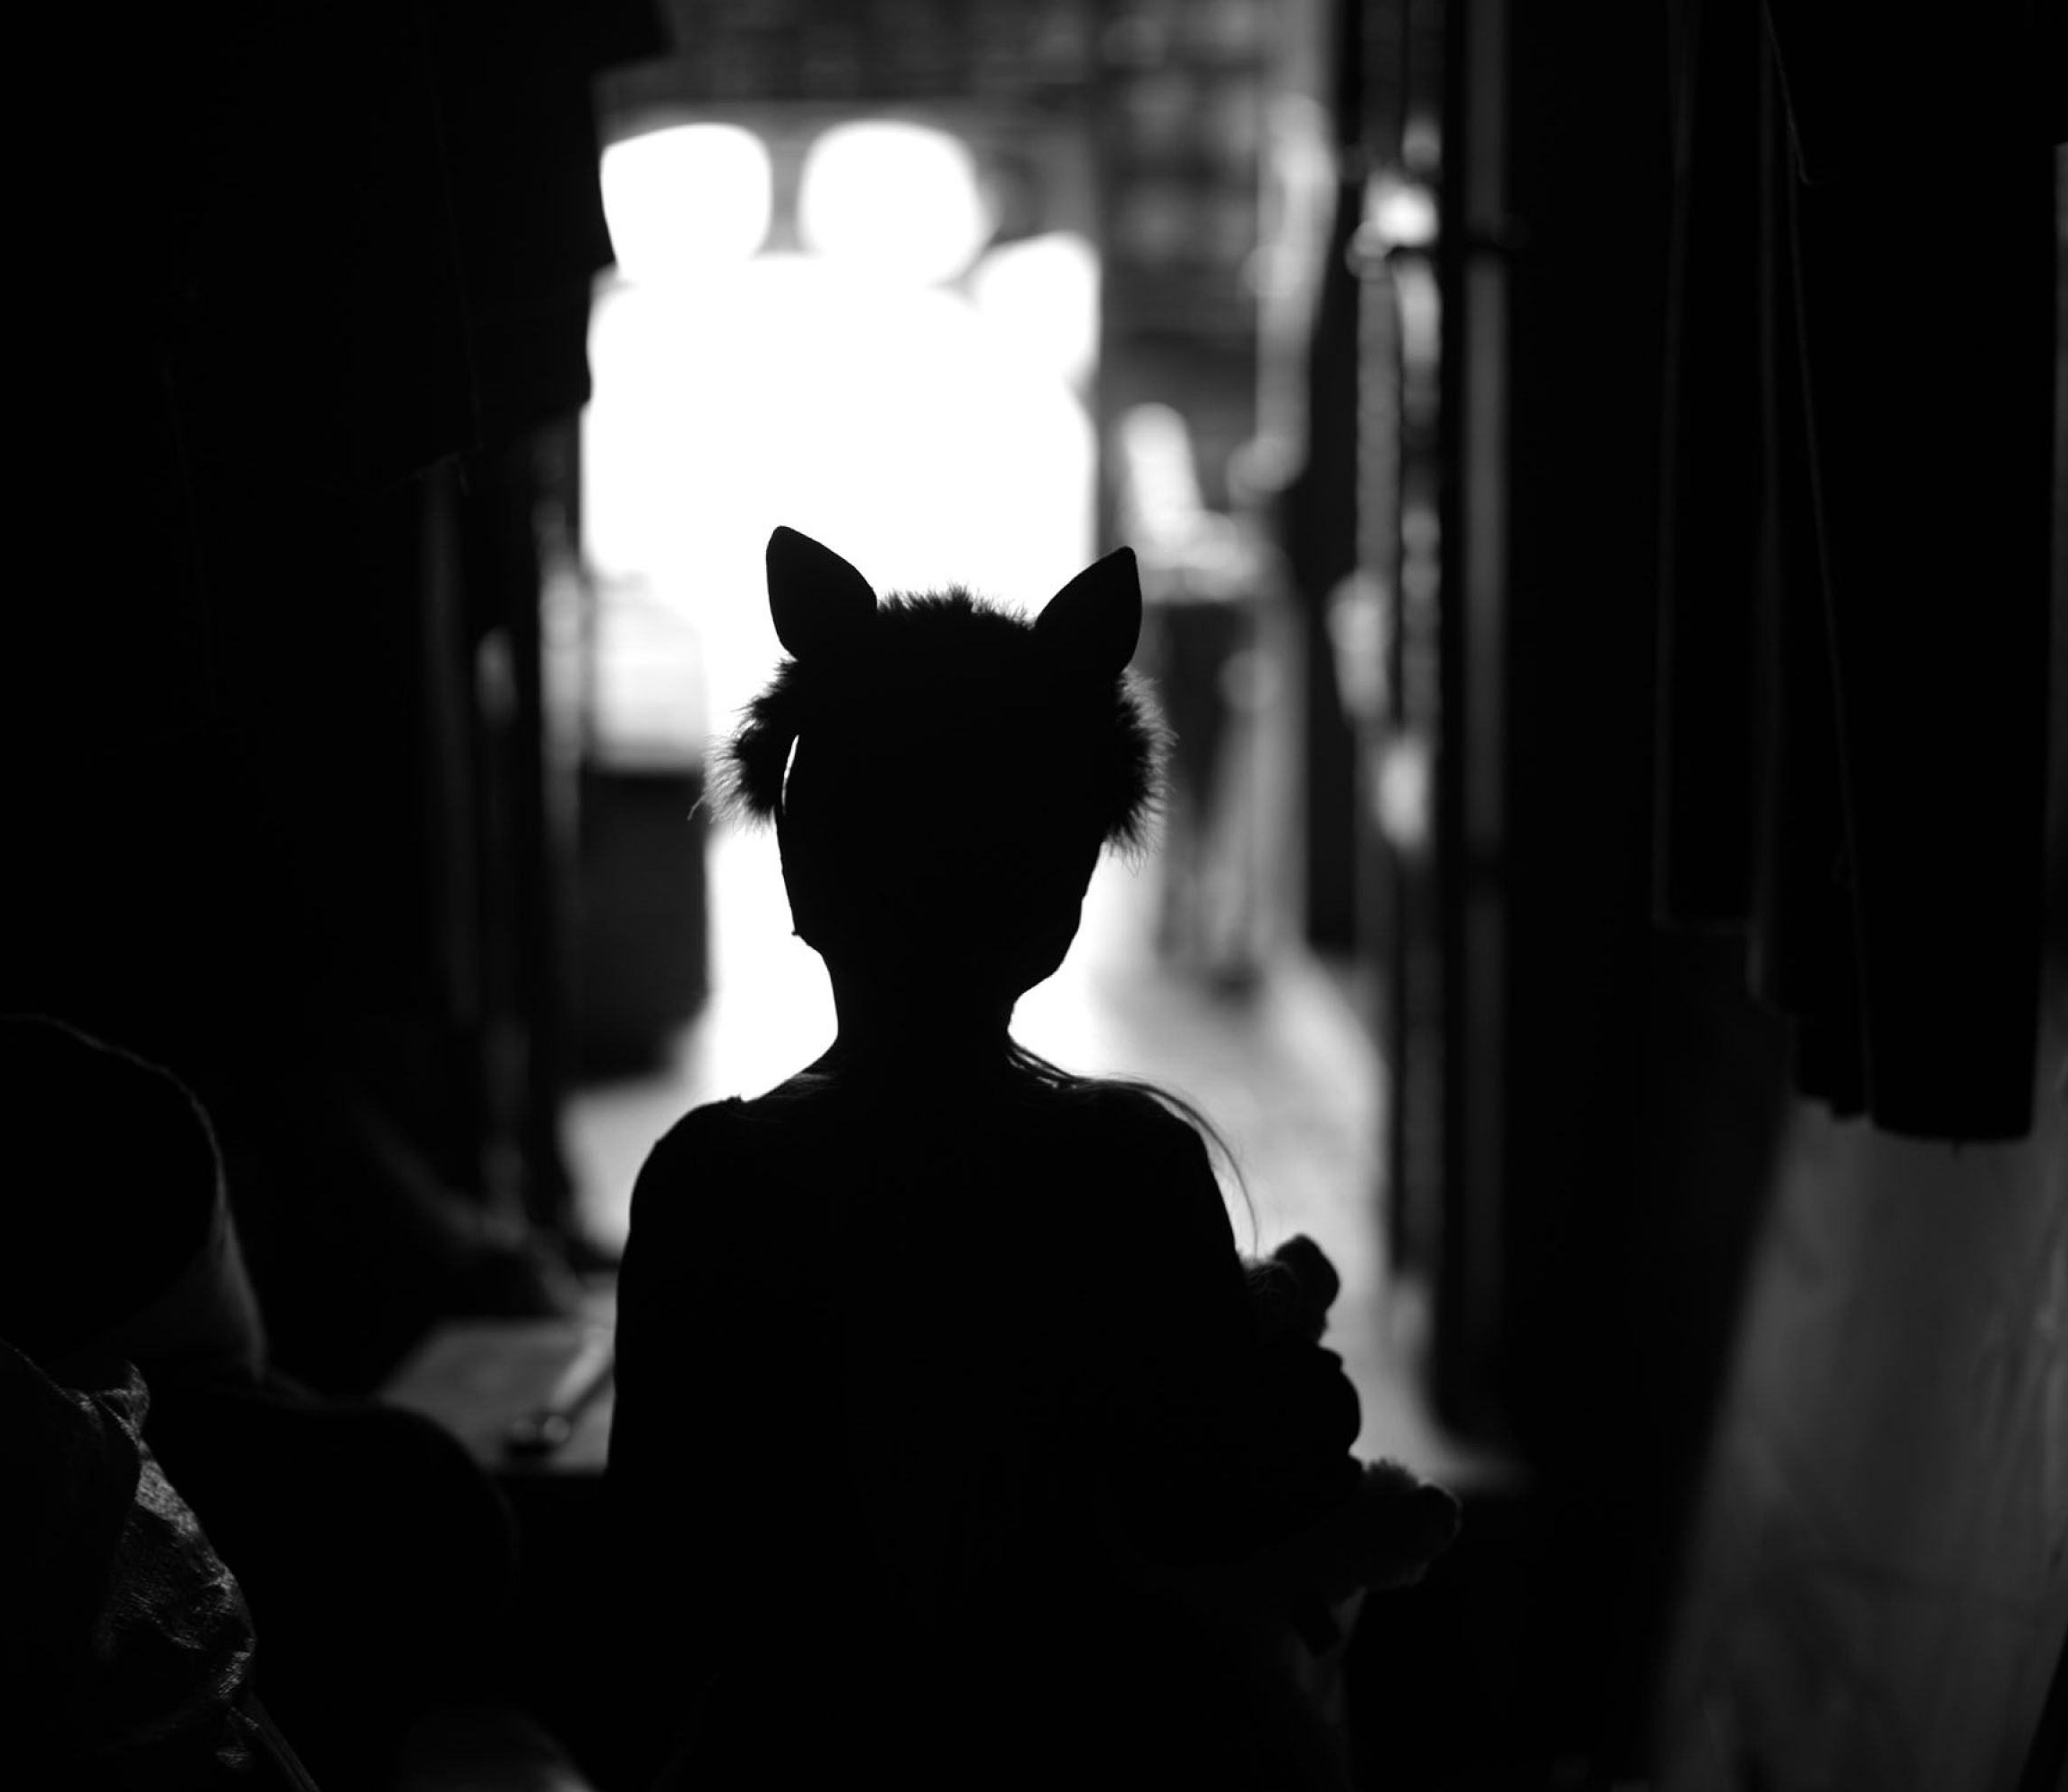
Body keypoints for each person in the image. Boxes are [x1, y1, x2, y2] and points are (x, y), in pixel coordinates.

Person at [597, 529, 1460, 1790]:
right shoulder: (1131, 1172)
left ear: (801, 865)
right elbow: (1235, 1495)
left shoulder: (707, 1182)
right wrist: (1277, 1361)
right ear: (1058, 900)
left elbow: (655, 1583)